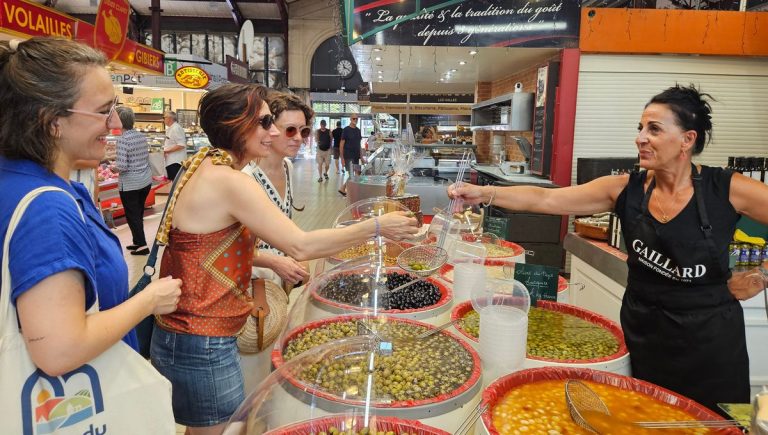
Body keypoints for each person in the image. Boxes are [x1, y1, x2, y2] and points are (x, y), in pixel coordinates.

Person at [449, 84, 768, 414]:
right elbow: (545, 198)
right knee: (639, 418)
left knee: (712, 423)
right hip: (643, 333)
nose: (641, 137)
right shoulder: (624, 190)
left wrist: (760, 275)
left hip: (710, 346)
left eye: (654, 129)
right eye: (640, 128)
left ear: (687, 139)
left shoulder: (726, 188)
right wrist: (482, 193)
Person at [151, 83, 418, 434]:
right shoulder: (231, 180)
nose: (275, 132)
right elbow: (300, 245)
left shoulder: (204, 166)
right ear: (236, 123)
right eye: (265, 123)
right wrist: (377, 226)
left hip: (190, 331)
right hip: (203, 336)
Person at [0, 37, 182, 376]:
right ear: (51, 121)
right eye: (103, 112)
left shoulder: (24, 180)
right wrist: (148, 301)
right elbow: (60, 350)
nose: (114, 125)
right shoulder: (47, 209)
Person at [243, 92, 312, 289]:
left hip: (280, 283)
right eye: (290, 130)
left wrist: (296, 256)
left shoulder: (287, 167)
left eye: (303, 131)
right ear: (269, 129)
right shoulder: (246, 177)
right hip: (250, 285)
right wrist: (274, 262)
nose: (298, 138)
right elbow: (229, 247)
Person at [113, 106, 153, 256]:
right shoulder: (140, 135)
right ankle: (137, 241)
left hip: (130, 183)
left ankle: (142, 246)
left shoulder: (123, 139)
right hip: (145, 180)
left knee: (132, 215)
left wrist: (113, 169)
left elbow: (122, 166)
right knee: (139, 212)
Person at [338, 115, 362, 197]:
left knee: (358, 173)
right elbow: (341, 144)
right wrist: (342, 159)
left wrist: (361, 157)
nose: (355, 120)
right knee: (352, 174)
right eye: (354, 118)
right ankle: (350, 191)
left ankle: (343, 188)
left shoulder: (358, 130)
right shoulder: (346, 130)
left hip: (356, 156)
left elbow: (359, 144)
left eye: (357, 118)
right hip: (348, 156)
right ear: (350, 119)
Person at [162, 110, 186, 181]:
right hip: (171, 161)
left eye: (164, 117)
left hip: (175, 162)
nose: (163, 119)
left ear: (169, 118)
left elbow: (181, 145)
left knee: (175, 183)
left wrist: (166, 151)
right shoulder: (171, 128)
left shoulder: (176, 128)